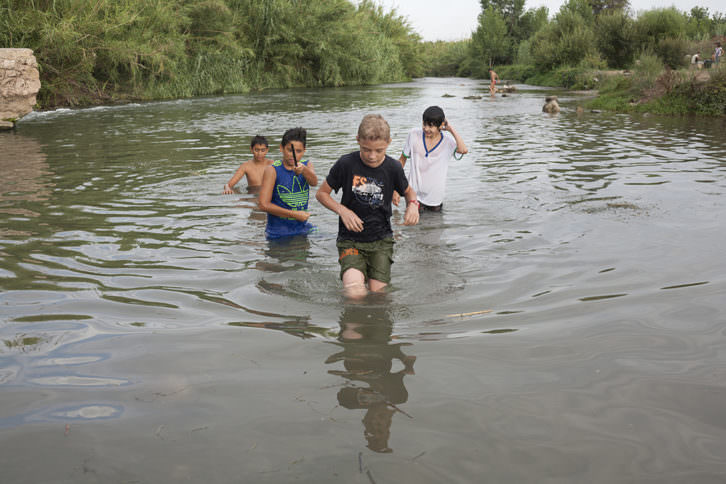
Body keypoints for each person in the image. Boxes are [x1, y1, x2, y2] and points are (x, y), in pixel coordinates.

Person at [316, 114, 419, 298]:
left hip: (381, 240)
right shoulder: (346, 164)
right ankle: (351, 326)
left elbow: (409, 192)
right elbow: (321, 194)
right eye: (366, 150)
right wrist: (342, 210)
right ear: (358, 141)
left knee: (379, 296)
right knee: (355, 292)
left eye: (379, 150)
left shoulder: (393, 167)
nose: (372, 156)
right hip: (350, 239)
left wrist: (412, 205)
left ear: (389, 142)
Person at [392, 105, 468, 212]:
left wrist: (450, 129)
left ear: (441, 125)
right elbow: (401, 161)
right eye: (424, 124)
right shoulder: (413, 135)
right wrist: (395, 188)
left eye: (431, 126)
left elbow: (463, 150)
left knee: (434, 227)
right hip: (413, 195)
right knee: (411, 227)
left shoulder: (448, 142)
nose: (426, 129)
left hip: (435, 198)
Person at [258, 128, 318, 239]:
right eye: (290, 150)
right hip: (278, 233)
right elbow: (263, 204)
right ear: (281, 148)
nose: (293, 155)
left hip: (302, 228)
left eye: (298, 151)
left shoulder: (307, 164)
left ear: (304, 150)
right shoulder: (272, 170)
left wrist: (304, 170)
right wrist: (294, 214)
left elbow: (314, 182)